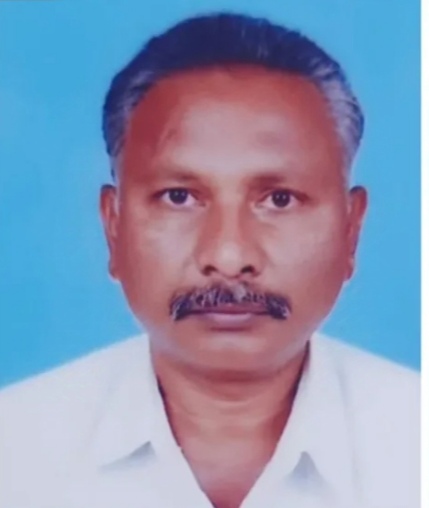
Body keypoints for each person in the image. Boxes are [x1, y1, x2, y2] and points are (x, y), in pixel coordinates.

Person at [0, 12, 419, 508]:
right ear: (113, 226)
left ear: (351, 230)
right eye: (179, 197)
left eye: (279, 199)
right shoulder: (16, 450)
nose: (228, 256)